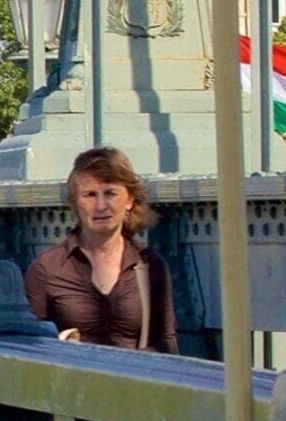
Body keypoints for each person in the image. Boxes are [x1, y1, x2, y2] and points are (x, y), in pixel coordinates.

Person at [23, 146, 180, 353]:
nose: (100, 206)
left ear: (130, 200)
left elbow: (167, 342)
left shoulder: (150, 266)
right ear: (76, 203)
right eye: (89, 195)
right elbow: (29, 347)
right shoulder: (47, 268)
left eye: (110, 193)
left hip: (131, 381)